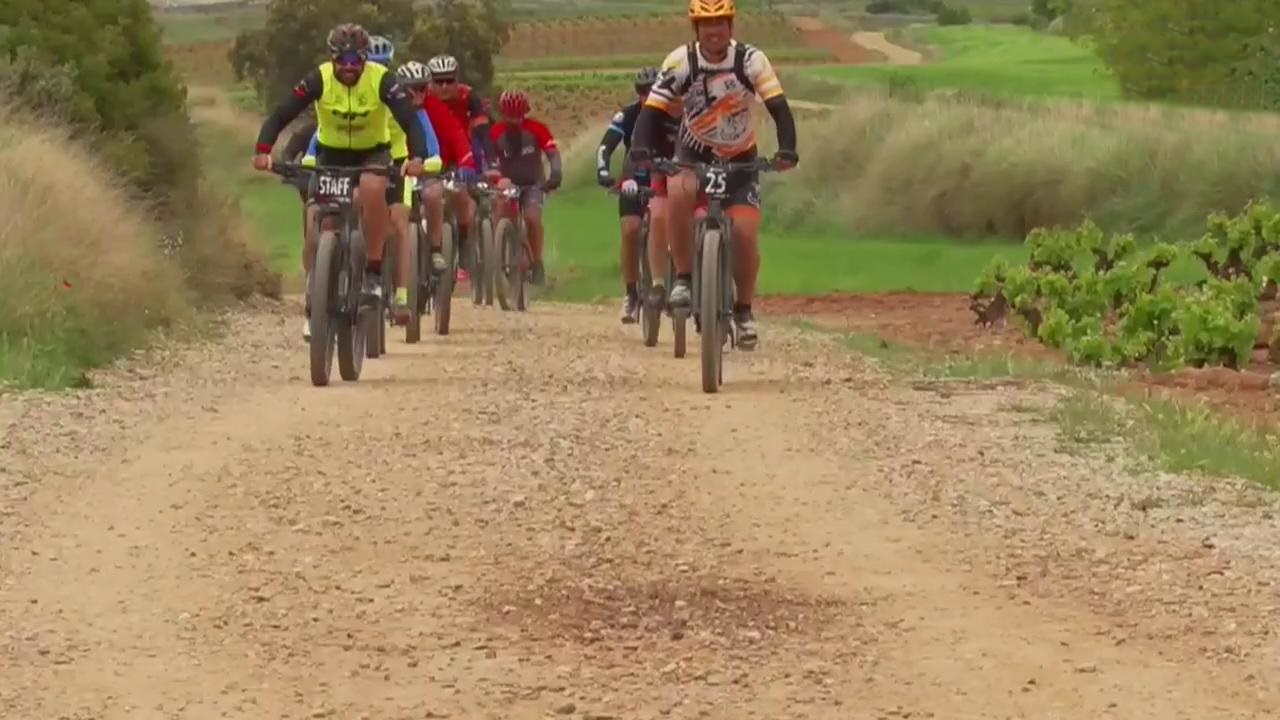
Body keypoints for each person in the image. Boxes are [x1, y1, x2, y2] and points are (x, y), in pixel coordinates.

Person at [628, 0, 799, 350]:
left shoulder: (751, 61)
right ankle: (684, 279)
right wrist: (641, 149)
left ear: (730, 26)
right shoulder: (681, 61)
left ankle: (744, 311)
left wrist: (787, 150)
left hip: (740, 155)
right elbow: (651, 111)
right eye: (706, 24)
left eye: (720, 22)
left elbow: (779, 108)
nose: (714, 30)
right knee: (678, 191)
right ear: (696, 29)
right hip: (693, 151)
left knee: (746, 234)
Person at [253, 23, 429, 339]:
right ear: (332, 58)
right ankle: (316, 292)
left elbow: (408, 119)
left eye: (355, 60)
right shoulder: (318, 78)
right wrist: (263, 150)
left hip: (372, 153)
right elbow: (282, 113)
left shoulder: (382, 80)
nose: (349, 67)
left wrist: (417, 157)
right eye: (342, 60)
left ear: (365, 59)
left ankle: (372, 271)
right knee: (314, 218)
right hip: (330, 155)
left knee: (373, 190)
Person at [399, 61, 480, 282]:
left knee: (436, 195)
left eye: (421, 88)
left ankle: (438, 249)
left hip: (430, 170)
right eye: (411, 89)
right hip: (396, 170)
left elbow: (456, 135)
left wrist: (466, 163)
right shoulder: (390, 108)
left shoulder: (435, 108)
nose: (417, 94)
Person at [426, 54, 499, 282]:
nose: (444, 87)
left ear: (457, 79)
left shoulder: (469, 97)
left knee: (463, 196)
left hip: (463, 155)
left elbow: (483, 132)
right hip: (430, 155)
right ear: (429, 82)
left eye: (449, 81)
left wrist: (492, 163)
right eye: (438, 81)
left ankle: (466, 243)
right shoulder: (421, 97)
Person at [596, 67, 660, 323]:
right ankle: (631, 293)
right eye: (643, 92)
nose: (648, 97)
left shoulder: (674, 115)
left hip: (664, 179)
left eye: (653, 91)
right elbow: (605, 146)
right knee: (631, 229)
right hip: (634, 179)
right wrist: (603, 171)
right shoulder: (628, 115)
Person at [488, 89, 561, 286]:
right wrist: (495, 177)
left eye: (518, 116)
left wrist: (555, 174)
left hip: (533, 183)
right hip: (507, 183)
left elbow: (552, 153)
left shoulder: (537, 129)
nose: (514, 121)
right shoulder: (495, 132)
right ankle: (500, 253)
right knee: (500, 212)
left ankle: (537, 263)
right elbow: (488, 160)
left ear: (525, 112)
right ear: (502, 113)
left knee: (532, 217)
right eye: (509, 116)